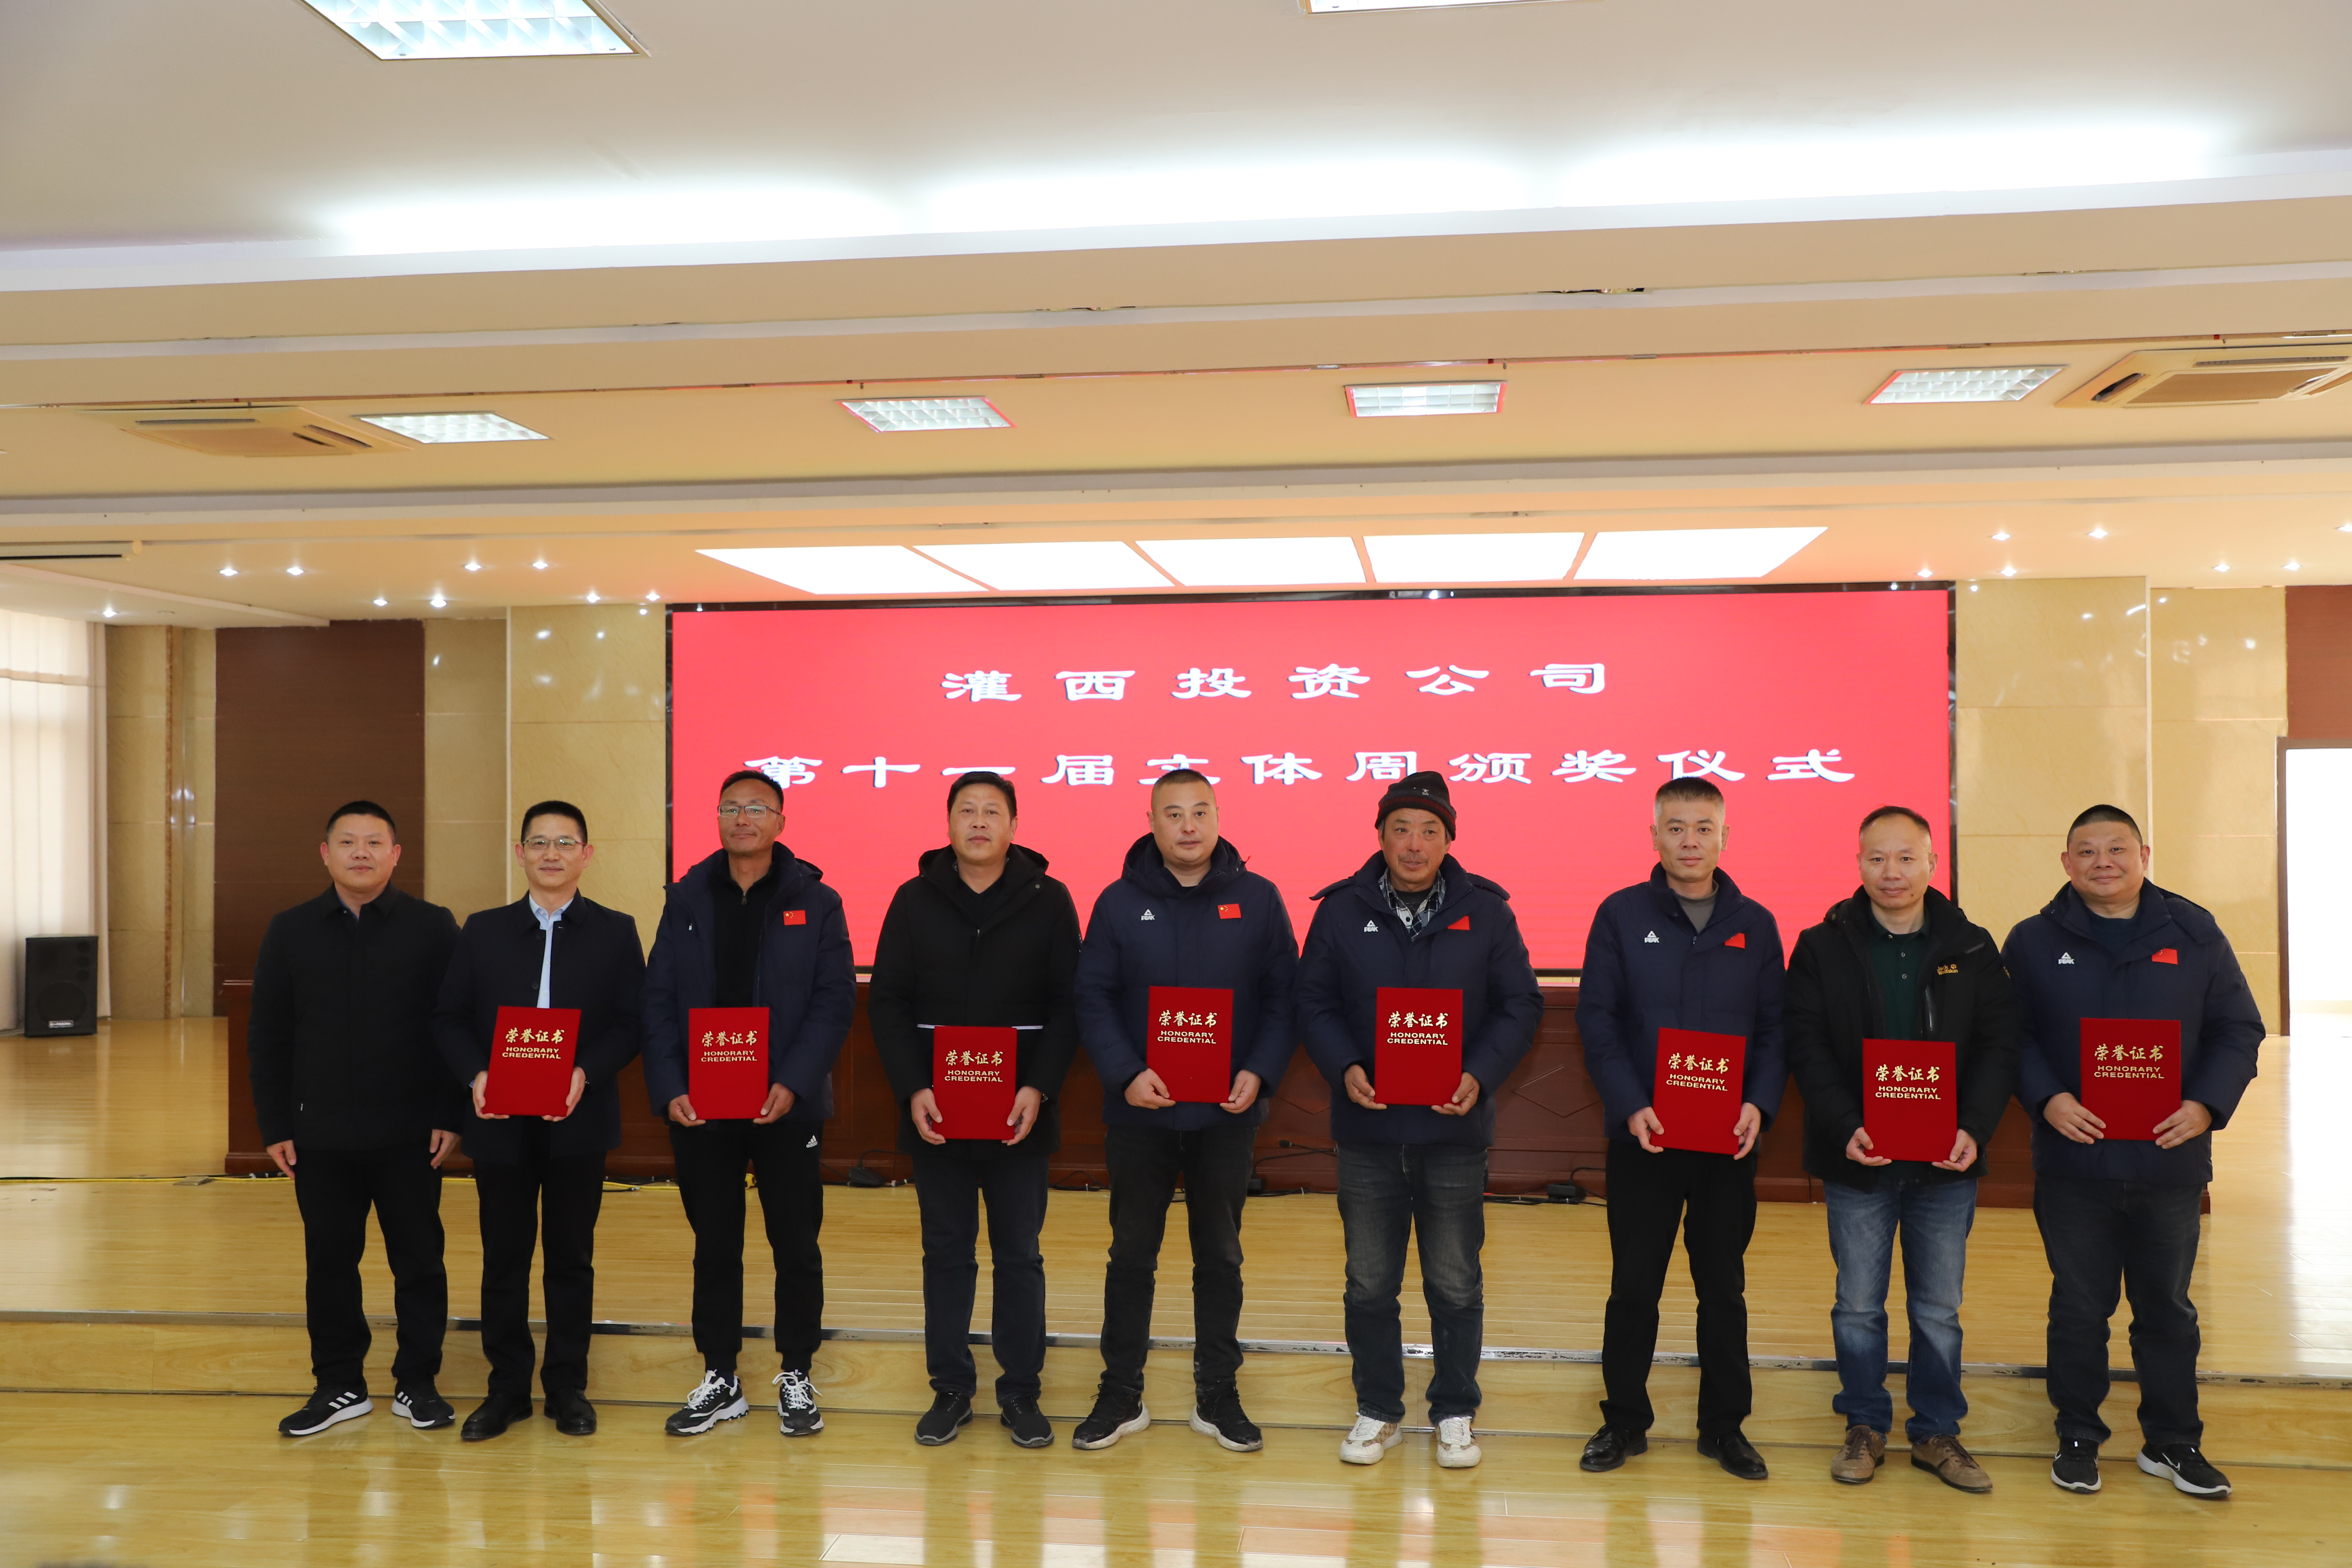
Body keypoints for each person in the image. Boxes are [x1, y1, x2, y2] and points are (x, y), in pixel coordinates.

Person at [2004, 804, 2264, 1500]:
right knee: (2079, 1307)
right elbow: (2010, 1036)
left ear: (2144, 855)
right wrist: (2048, 1099)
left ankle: (2173, 1442)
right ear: (2066, 863)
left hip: (2168, 1158)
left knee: (2167, 1309)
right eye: (2087, 851)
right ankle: (2078, 1437)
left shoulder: (2194, 932)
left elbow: (2238, 1029)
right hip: (2074, 1162)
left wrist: (2205, 1106)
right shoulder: (2032, 940)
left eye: (2117, 848)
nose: (2103, 862)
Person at [1296, 771, 1543, 1471]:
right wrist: (1345, 1065)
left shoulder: (1486, 911)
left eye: (1430, 831)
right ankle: (1378, 1410)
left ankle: (1455, 1410)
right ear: (1380, 837)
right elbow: (1312, 1001)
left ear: (1449, 840)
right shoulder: (1340, 911)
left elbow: (1521, 1004)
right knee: (1370, 1283)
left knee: (1455, 1281)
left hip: (1452, 1132)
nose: (1414, 844)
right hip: (1368, 1131)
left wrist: (1480, 1074)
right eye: (1401, 829)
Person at [1784, 806, 2017, 1492]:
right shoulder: (1822, 945)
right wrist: (1843, 1124)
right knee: (1858, 1304)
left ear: (1932, 864)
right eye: (1878, 858)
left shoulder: (1972, 946)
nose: (1892, 872)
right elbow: (1805, 1044)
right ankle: (1864, 1425)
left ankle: (1937, 1432)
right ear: (1858, 863)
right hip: (1858, 1159)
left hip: (1946, 1162)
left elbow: (2000, 1046)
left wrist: (1974, 1126)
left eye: (1907, 858)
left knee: (1938, 1309)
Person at [1070, 769, 1300, 1454]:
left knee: (1220, 1256)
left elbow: (1284, 996)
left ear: (1219, 817)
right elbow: (1093, 996)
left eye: (1200, 811)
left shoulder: (1258, 899)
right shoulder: (1117, 902)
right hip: (1140, 1112)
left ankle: (1217, 1392)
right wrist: (1126, 1073)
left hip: (1226, 1113)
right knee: (1131, 1255)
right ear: (1151, 822)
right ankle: (1120, 1392)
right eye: (1173, 814)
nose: (1189, 826)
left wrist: (1259, 1071)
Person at [1576, 776, 1786, 1481]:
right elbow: (1598, 1021)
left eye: (1703, 828)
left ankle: (1724, 1428)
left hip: (1728, 1139)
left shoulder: (1755, 923)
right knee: (1634, 1286)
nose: (1690, 841)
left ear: (1725, 837)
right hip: (1646, 1136)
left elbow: (1774, 1029)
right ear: (1655, 837)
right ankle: (1623, 1422)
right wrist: (1631, 1104)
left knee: (1722, 1288)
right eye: (1676, 828)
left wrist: (1759, 1103)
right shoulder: (1620, 914)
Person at [868, 771, 1082, 1449]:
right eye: (968, 810)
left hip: (1020, 1111)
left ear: (1014, 826)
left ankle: (1021, 1391)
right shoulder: (913, 899)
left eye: (993, 811)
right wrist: (913, 1086)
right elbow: (888, 1000)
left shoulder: (1050, 898)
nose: (980, 822)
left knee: (1020, 1254)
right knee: (946, 1253)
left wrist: (1039, 1086)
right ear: (949, 824)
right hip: (938, 1111)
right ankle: (951, 1388)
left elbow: (1068, 1003)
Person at [642, 769, 856, 1439]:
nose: (743, 818)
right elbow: (658, 999)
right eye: (731, 807)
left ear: (781, 822)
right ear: (716, 818)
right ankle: (721, 1376)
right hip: (702, 1105)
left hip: (787, 1103)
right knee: (715, 1244)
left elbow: (834, 1001)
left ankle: (796, 1371)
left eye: (758, 808)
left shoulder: (817, 902)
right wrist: (670, 1086)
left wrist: (794, 1080)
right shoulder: (685, 899)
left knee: (796, 1242)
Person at [432, 800, 645, 1441]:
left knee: (571, 1257)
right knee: (504, 1257)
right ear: (520, 853)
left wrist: (586, 1072)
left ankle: (567, 1387)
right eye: (539, 842)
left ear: (587, 854)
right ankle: (507, 1389)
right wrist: (477, 1076)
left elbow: (632, 1022)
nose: (552, 854)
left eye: (565, 842)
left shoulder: (616, 931)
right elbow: (449, 1018)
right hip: (499, 1118)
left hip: (579, 1116)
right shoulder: (484, 930)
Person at [248, 800, 461, 1437]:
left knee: (419, 1261)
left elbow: (454, 1025)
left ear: (396, 855)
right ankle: (339, 1384)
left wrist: (451, 1112)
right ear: (326, 854)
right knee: (330, 1263)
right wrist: (275, 1125)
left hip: (411, 1133)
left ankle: (418, 1382)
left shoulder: (432, 927)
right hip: (321, 1136)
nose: (361, 853)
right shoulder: (290, 930)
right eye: (348, 842)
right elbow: (268, 1035)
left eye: (374, 842)